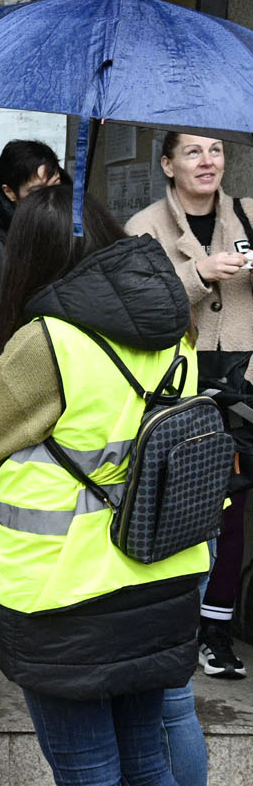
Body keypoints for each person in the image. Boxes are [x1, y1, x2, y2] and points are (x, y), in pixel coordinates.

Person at [0, 184, 230, 786]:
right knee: (148, 774)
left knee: (88, 785)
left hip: (65, 595)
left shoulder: (46, 341)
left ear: (28, 258)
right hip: (160, 579)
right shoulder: (171, 324)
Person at [128, 133, 253, 680]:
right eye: (193, 152)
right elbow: (137, 307)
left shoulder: (249, 216)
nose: (208, 162)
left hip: (246, 385)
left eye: (216, 151)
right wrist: (199, 274)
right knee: (180, 507)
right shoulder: (144, 227)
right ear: (167, 163)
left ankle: (216, 634)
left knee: (233, 510)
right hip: (180, 387)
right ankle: (173, 628)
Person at [0, 140, 64, 284]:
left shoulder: (69, 219)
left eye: (56, 185)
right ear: (9, 192)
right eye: (38, 191)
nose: (51, 197)